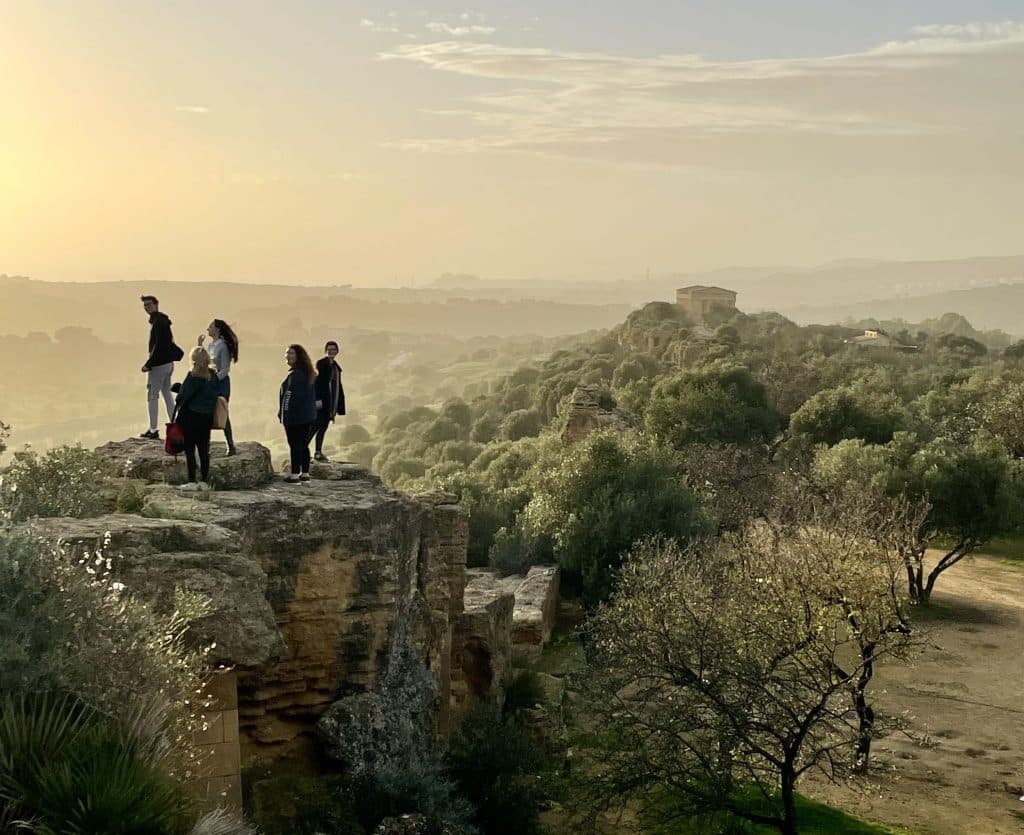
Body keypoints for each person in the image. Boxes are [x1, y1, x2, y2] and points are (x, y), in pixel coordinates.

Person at [174, 346, 220, 490]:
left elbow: (182, 397)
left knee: (190, 450)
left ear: (193, 361)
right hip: (206, 418)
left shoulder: (192, 376)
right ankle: (204, 481)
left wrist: (178, 390)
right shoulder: (213, 376)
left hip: (190, 418)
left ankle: (192, 481)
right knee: (203, 450)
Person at [140, 295, 183, 440]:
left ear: (156, 304)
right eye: (145, 305)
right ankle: (175, 424)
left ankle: (153, 429)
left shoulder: (158, 322)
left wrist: (149, 364)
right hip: (168, 364)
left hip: (159, 365)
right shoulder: (162, 321)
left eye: (149, 304)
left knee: (152, 395)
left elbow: (158, 346)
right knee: (166, 392)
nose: (147, 307)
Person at [199, 319, 239, 456]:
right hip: (210, 381)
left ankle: (230, 445)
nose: (207, 329)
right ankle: (206, 446)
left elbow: (225, 369)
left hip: (220, 383)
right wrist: (200, 346)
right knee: (206, 413)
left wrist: (214, 380)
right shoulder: (211, 345)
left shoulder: (223, 346)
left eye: (210, 327)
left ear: (217, 329)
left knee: (221, 412)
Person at [278, 344, 318, 483]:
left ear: (298, 356)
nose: (287, 356)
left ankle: (295, 474)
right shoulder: (308, 373)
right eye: (287, 353)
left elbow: (288, 396)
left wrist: (284, 414)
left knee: (294, 444)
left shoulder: (295, 375)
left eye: (291, 353)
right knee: (303, 444)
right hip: (308, 415)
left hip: (295, 417)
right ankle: (305, 473)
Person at [313, 340, 346, 462]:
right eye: (329, 349)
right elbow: (317, 382)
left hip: (330, 403)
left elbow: (338, 386)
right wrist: (317, 399)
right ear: (326, 350)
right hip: (322, 402)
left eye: (334, 349)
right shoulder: (321, 364)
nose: (331, 351)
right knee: (315, 427)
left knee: (323, 427)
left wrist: (339, 405)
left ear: (337, 351)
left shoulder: (336, 367)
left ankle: (317, 452)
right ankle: (302, 451)